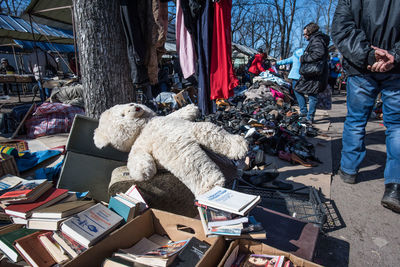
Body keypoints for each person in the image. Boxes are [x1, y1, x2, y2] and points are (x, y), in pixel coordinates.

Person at [331, 0, 400, 213]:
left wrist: (369, 55)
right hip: (395, 69)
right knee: (397, 126)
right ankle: (394, 185)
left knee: (356, 120)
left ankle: (349, 170)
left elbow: (342, 29)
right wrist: (394, 55)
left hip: (361, 68)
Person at [294, 22, 330, 124]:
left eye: (305, 34)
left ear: (311, 32)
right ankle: (307, 115)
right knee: (306, 92)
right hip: (314, 72)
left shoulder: (317, 40)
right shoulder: (317, 40)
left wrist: (304, 58)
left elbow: (319, 53)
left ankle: (308, 116)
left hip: (314, 73)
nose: (304, 36)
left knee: (310, 94)